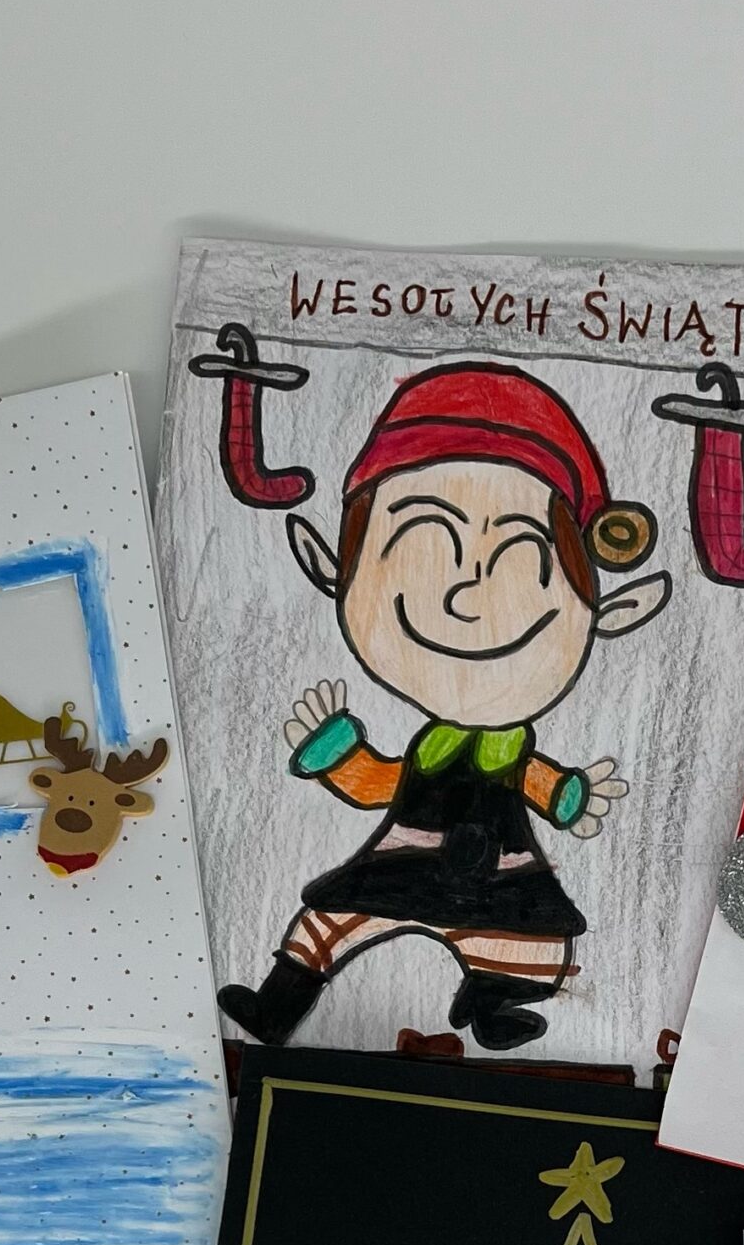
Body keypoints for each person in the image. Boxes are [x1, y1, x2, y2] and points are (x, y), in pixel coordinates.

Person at [218, 363, 670, 1052]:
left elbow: (541, 785)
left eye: (521, 562)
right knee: (328, 924)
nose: (465, 599)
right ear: (342, 568)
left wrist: (572, 795)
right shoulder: (430, 746)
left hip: (497, 877)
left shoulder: (509, 749)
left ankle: (494, 1005)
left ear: (595, 604)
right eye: (424, 547)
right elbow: (378, 784)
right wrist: (335, 753)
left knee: (528, 942)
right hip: (400, 866)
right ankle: (276, 1007)